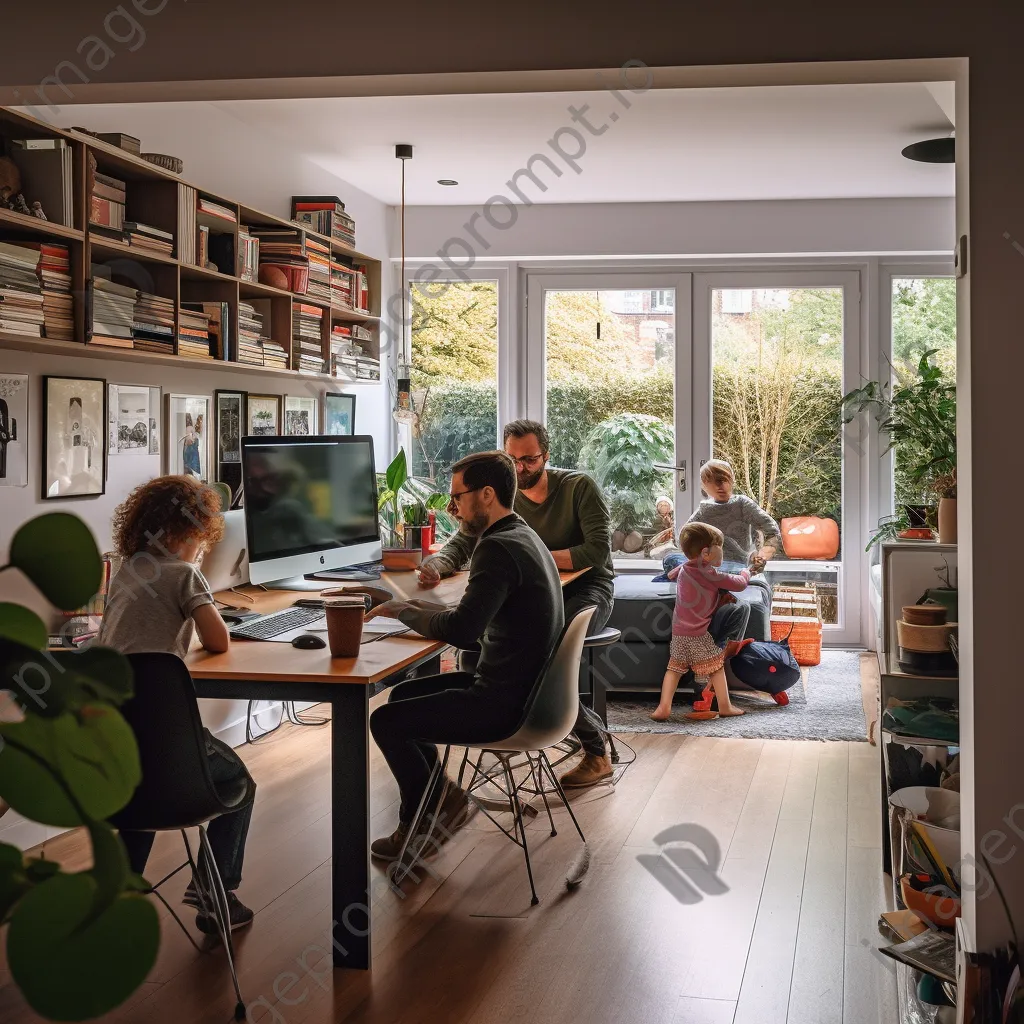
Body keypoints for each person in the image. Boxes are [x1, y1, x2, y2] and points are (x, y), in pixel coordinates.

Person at [367, 451, 564, 861]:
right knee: (403, 698)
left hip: (505, 705)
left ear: (487, 495)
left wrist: (405, 612)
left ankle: (424, 817)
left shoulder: (496, 549)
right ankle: (441, 802)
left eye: (459, 497)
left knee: (385, 720)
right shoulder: (520, 534)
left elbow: (462, 631)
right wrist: (412, 611)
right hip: (529, 692)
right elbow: (470, 618)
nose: (453, 508)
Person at [417, 419, 615, 789]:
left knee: (545, 655)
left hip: (587, 590)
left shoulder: (577, 487)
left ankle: (595, 750)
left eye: (529, 459)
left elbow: (597, 550)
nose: (520, 468)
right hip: (527, 595)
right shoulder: (501, 496)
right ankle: (498, 724)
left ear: (546, 456)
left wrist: (533, 556)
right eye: (513, 460)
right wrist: (437, 564)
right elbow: (462, 544)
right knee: (478, 650)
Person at [98, 475, 256, 934]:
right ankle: (214, 892)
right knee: (240, 783)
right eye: (200, 541)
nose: (202, 550)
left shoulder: (128, 571)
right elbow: (218, 639)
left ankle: (121, 890)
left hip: (118, 746)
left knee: (146, 788)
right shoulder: (183, 574)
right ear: (184, 534)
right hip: (169, 743)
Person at [652, 522, 749, 722]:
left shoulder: (686, 567)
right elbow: (739, 585)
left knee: (674, 668)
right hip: (698, 634)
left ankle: (663, 707)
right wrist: (746, 573)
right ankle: (725, 706)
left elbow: (672, 574)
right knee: (716, 667)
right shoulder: (710, 573)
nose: (722, 551)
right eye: (720, 546)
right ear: (706, 553)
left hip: (679, 632)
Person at [687, 459, 781, 573]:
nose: (720, 485)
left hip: (741, 566)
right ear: (704, 485)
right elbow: (686, 538)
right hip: (711, 569)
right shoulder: (704, 511)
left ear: (732, 480)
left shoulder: (742, 504)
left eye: (724, 479)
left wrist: (763, 555)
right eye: (711, 480)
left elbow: (771, 530)